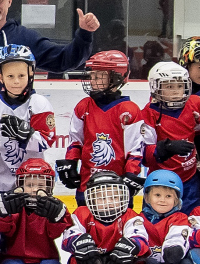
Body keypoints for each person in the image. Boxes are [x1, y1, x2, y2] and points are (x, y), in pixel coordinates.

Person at [0, 46, 65, 195]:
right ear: (0, 77)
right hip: (0, 181)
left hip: (32, 180)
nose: (16, 81)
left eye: (21, 75)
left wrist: (26, 135)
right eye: (10, 76)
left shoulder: (39, 103)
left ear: (31, 74)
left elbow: (47, 141)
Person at [56, 170, 150, 264]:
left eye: (114, 198)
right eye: (101, 198)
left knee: (138, 261)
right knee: (79, 257)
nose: (109, 203)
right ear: (91, 199)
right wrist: (79, 243)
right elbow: (69, 236)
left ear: (123, 197)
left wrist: (131, 247)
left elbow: (140, 237)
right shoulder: (81, 213)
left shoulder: (130, 215)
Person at [62, 50, 149, 192]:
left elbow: (135, 150)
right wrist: (70, 162)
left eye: (99, 77)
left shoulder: (129, 110)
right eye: (92, 76)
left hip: (117, 190)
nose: (92, 81)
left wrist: (130, 174)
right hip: (87, 186)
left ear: (116, 77)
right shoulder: (84, 106)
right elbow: (76, 141)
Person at [137, 60, 200, 210]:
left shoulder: (196, 104)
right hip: (161, 182)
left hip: (190, 179)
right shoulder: (148, 113)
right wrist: (166, 148)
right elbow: (144, 155)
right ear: (155, 86)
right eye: (169, 86)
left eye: (180, 85)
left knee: (194, 223)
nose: (176, 91)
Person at [133, 170, 197, 264]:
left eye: (168, 196)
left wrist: (173, 250)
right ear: (147, 198)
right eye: (157, 195)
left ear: (177, 200)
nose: (162, 200)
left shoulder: (179, 218)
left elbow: (178, 235)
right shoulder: (138, 219)